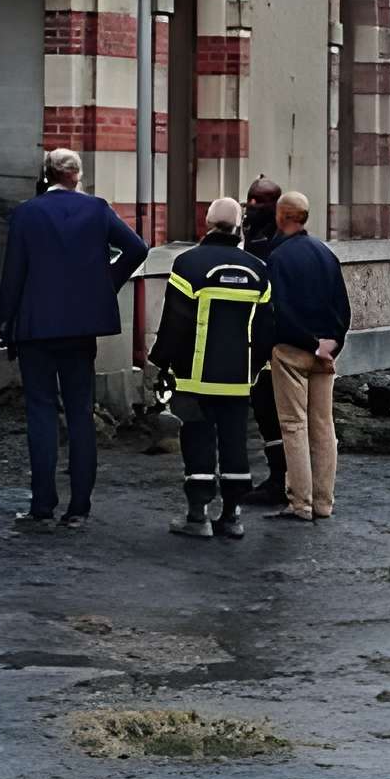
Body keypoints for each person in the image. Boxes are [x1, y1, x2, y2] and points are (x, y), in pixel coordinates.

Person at [0, 148, 149, 530]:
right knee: (80, 413)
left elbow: (13, 273)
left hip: (35, 325)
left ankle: (42, 506)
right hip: (81, 326)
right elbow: (138, 248)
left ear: (46, 175)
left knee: (41, 413)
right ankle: (79, 508)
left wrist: (4, 325)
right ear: (77, 176)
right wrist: (103, 287)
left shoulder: (27, 213)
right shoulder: (97, 210)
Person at [151, 196, 272, 540]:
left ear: (206, 224)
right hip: (238, 378)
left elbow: (176, 321)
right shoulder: (258, 270)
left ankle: (197, 515)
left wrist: (162, 363)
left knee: (198, 438)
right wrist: (254, 368)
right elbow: (265, 329)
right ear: (238, 227)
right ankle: (232, 516)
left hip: (194, 375)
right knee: (235, 442)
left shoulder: (188, 264)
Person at [261, 188, 350, 521]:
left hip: (292, 350)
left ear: (281, 216)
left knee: (294, 426)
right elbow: (343, 306)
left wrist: (310, 342)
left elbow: (277, 310)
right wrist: (331, 343)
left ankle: (301, 502)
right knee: (324, 426)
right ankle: (325, 502)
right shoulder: (326, 254)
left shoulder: (278, 257)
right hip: (326, 352)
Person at [238, 175, 290, 506]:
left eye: (259, 203)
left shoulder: (276, 245)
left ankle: (281, 478)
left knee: (273, 412)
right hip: (258, 338)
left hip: (272, 339)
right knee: (265, 410)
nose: (252, 209)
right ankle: (281, 476)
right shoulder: (255, 237)